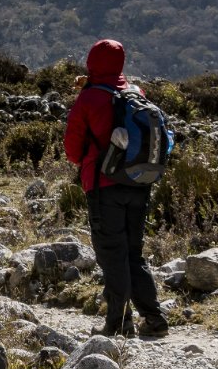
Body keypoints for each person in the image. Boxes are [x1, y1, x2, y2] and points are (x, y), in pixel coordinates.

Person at [63, 38, 170, 338]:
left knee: (112, 253)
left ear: (92, 62)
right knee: (133, 253)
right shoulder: (136, 93)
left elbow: (72, 150)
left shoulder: (89, 98)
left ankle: (119, 322)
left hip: (103, 186)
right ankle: (155, 318)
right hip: (139, 183)